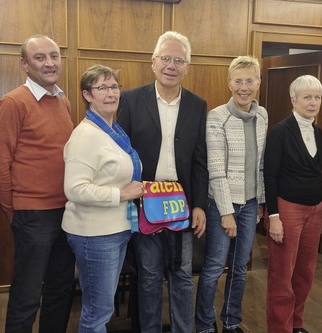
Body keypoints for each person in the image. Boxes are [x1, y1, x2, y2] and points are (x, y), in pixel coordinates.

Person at [116, 31, 209, 333]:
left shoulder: (197, 105)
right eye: (166, 58)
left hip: (181, 203)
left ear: (187, 66)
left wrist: (199, 205)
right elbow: (122, 155)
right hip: (145, 202)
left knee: (182, 274)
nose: (172, 65)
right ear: (153, 63)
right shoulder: (130, 100)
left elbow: (199, 160)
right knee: (150, 274)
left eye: (179, 60)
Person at [0, 35, 76, 333]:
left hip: (66, 213)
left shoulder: (63, 100)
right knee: (27, 296)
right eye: (40, 57)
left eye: (54, 55)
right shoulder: (13, 102)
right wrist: (14, 212)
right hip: (32, 215)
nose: (49, 63)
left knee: (60, 290)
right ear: (24, 65)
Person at [62, 64, 144, 333]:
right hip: (94, 234)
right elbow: (74, 189)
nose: (111, 93)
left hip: (115, 229)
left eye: (114, 86)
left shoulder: (113, 131)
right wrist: (121, 194)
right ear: (87, 95)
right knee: (97, 312)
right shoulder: (85, 135)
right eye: (102, 88)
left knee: (102, 308)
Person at [195, 56, 268, 333]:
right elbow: (216, 170)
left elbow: (260, 164)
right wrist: (226, 213)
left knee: (239, 268)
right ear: (229, 84)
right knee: (214, 268)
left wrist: (260, 202)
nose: (244, 87)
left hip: (250, 204)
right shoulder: (217, 117)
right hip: (221, 206)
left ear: (258, 83)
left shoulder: (262, 115)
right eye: (238, 81)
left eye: (249, 81)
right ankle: (204, 325)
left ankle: (232, 321)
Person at [264, 75, 322, 333]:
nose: (313, 103)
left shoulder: (317, 131)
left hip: (315, 210)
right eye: (307, 97)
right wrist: (273, 216)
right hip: (287, 209)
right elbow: (269, 175)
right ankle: (280, 328)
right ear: (294, 100)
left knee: (305, 272)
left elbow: (318, 174)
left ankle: (296, 324)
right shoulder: (280, 131)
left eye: (317, 97)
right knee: (282, 275)